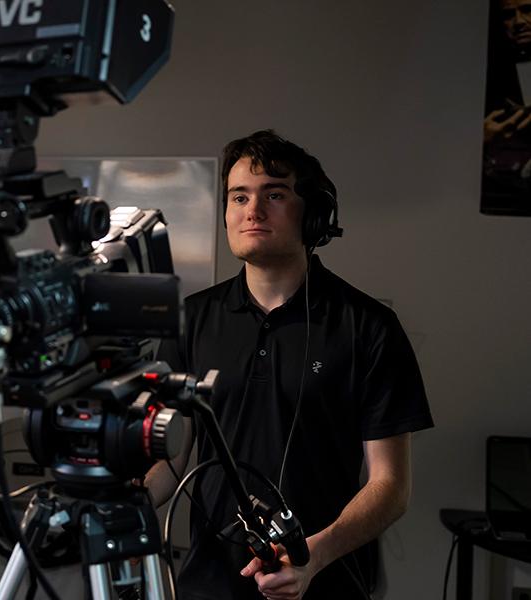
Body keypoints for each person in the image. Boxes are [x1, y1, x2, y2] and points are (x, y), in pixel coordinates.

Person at [145, 130, 434, 599]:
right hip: (210, 583)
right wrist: (121, 505)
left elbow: (390, 485)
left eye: (274, 194)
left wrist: (311, 557)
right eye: (239, 196)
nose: (252, 210)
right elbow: (170, 462)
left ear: (315, 216)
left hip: (325, 581)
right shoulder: (188, 321)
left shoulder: (369, 327)